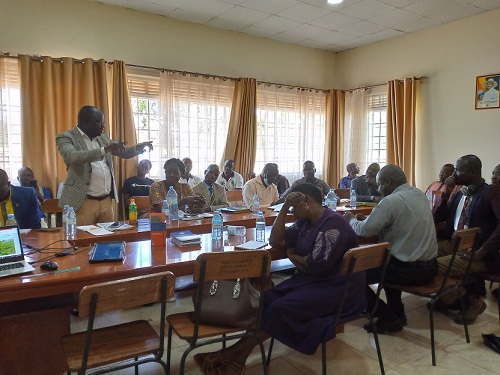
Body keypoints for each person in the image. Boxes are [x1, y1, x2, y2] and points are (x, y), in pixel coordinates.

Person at [194, 183, 365, 374]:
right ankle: (234, 359)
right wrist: (283, 208)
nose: (292, 212)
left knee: (280, 308)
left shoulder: (334, 224)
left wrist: (292, 256)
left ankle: (231, 356)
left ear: (305, 202)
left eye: (293, 207)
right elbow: (275, 241)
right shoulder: (305, 223)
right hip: (313, 281)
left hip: (339, 289)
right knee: (268, 298)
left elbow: (314, 265)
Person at [344, 165, 438, 333]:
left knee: (352, 274)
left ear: (387, 182)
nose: (378, 189)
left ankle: (388, 317)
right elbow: (400, 221)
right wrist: (368, 219)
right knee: (388, 262)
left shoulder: (390, 201)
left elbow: (364, 231)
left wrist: (350, 219)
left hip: (407, 271)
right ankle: (397, 312)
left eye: (379, 184)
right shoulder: (419, 194)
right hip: (430, 268)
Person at [56, 105, 153, 225]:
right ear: (84, 122)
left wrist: (137, 148)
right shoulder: (66, 137)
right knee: (82, 240)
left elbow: (122, 151)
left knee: (108, 239)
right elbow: (72, 157)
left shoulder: (103, 138)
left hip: (106, 201)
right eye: (98, 122)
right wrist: (104, 150)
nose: (103, 126)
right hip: (83, 202)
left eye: (103, 122)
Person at [432, 155, 500, 324]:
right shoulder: (459, 193)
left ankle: (471, 301)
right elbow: (437, 218)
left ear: (472, 172)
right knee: (419, 256)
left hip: (479, 252)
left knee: (432, 267)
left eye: (458, 170)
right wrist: (446, 194)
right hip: (453, 243)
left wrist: (481, 252)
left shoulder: (490, 192)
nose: (453, 174)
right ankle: (452, 298)